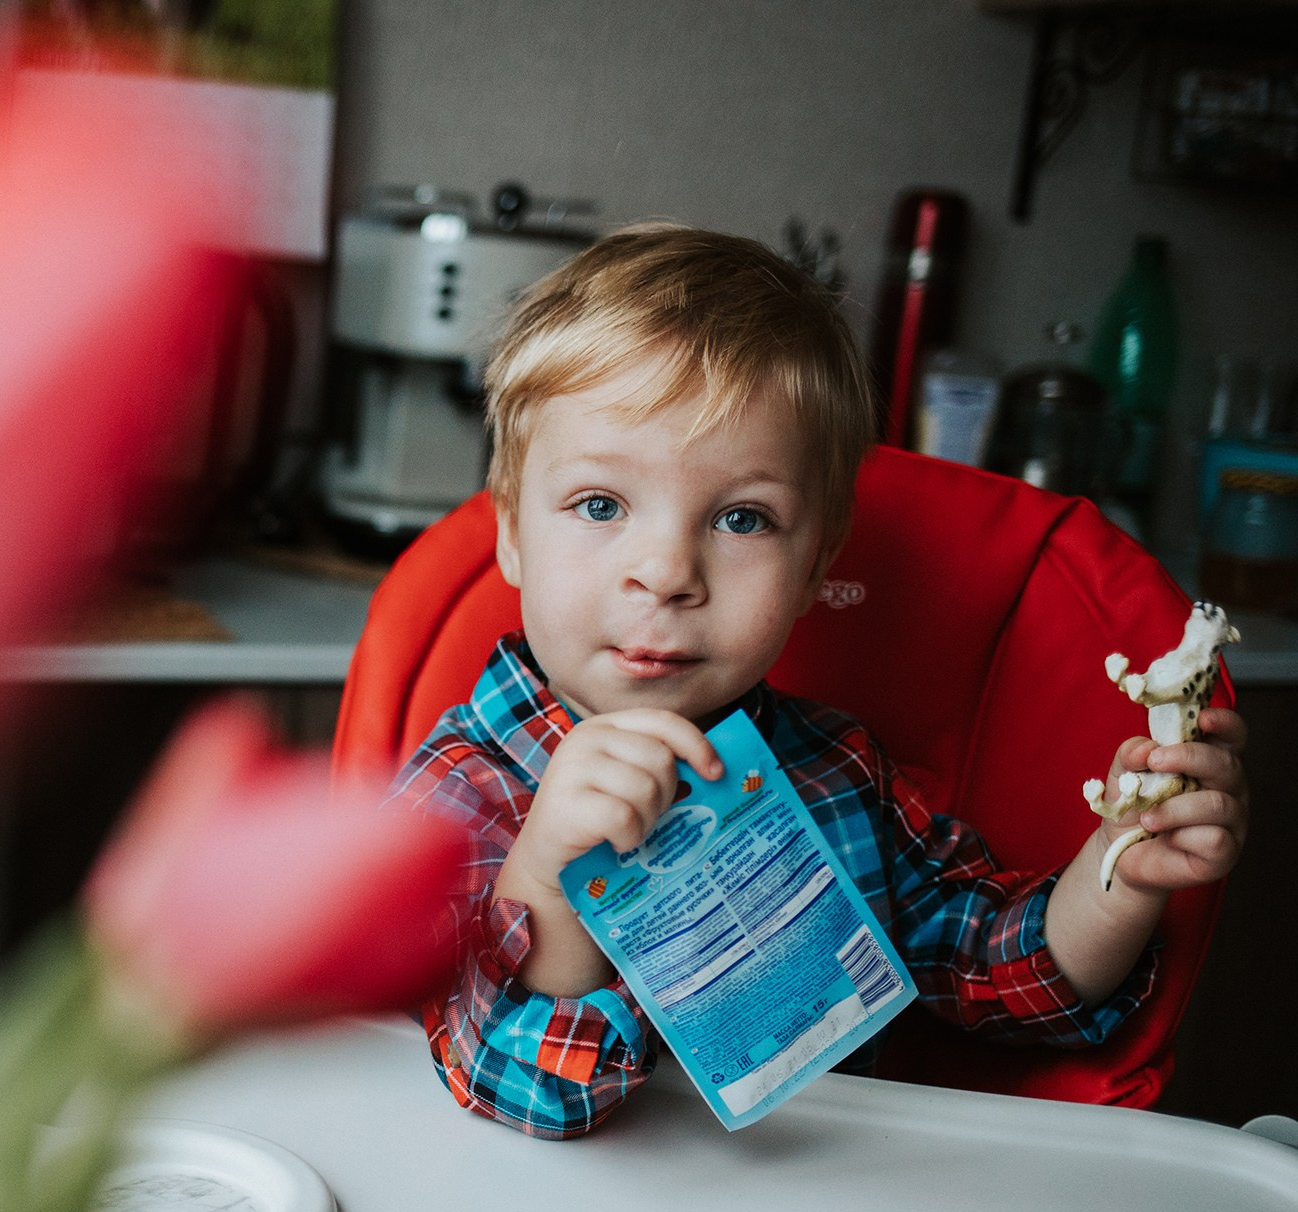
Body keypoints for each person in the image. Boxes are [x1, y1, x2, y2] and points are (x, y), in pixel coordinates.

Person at [389, 224, 1249, 1140]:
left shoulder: (834, 772)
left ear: (815, 569)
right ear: (512, 534)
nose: (668, 570)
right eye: (600, 505)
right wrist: (551, 880)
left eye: (743, 518)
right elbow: (512, 1092)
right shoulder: (455, 796)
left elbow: (999, 973)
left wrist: (1125, 864)